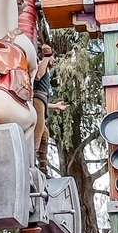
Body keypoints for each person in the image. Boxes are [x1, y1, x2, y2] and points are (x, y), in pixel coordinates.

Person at [31, 43, 68, 173]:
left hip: (42, 101)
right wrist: (46, 57)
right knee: (39, 129)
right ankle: (31, 161)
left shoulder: (45, 67)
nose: (54, 62)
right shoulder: (42, 65)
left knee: (45, 134)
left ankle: (42, 167)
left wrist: (56, 106)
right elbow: (38, 76)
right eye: (54, 58)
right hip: (37, 99)